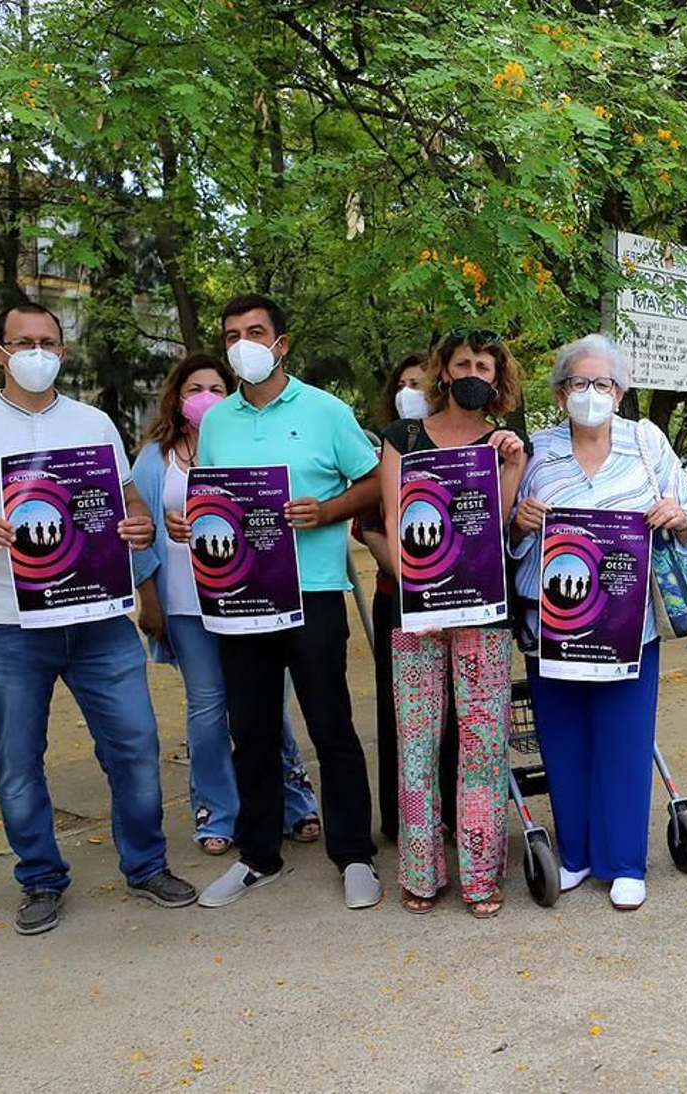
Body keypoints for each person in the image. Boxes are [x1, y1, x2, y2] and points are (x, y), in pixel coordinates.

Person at [0, 301, 196, 934]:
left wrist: (138, 527)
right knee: (16, 762)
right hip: (8, 626)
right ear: (0, 353)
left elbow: (132, 512)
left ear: (61, 354)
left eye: (48, 342)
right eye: (23, 342)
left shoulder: (95, 424)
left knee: (135, 747)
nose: (36, 353)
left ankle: (146, 866)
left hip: (98, 620)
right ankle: (39, 879)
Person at [170, 293, 384, 910]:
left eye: (256, 331)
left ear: (281, 343)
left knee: (331, 725)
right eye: (233, 333)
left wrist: (328, 510)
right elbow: (213, 498)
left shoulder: (326, 410)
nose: (243, 343)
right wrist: (193, 523)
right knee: (253, 730)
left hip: (313, 591)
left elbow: (372, 480)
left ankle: (353, 854)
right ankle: (258, 855)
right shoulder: (217, 422)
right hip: (240, 598)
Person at [509, 333, 687, 911]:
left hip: (628, 623)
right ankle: (575, 856)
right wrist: (519, 524)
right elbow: (502, 532)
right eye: (578, 382)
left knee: (624, 740)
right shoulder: (535, 451)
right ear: (561, 389)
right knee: (564, 739)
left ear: (619, 392)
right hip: (553, 623)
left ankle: (624, 862)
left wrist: (679, 517)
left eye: (602, 383)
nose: (589, 393)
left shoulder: (646, 444)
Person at [129, 353, 322, 856]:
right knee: (209, 707)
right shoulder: (155, 458)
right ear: (178, 397)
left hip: (249, 597)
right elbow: (140, 534)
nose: (205, 398)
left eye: (216, 387)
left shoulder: (240, 442)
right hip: (187, 602)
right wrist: (149, 602)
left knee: (266, 703)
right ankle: (217, 809)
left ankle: (294, 800)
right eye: (195, 388)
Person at [378, 330, 527, 917]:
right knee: (416, 743)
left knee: (483, 743)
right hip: (417, 610)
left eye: (483, 365)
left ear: (497, 378)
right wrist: (422, 596)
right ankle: (420, 872)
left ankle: (481, 874)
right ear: (442, 372)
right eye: (462, 363)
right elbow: (394, 521)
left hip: (484, 613)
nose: (472, 372)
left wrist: (511, 464)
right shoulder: (403, 438)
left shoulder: (504, 443)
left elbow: (502, 524)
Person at [353, 351, 430, 842]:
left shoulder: (465, 447)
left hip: (462, 602)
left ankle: (449, 813)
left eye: (420, 383)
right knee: (400, 714)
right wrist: (411, 576)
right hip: (398, 598)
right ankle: (403, 820)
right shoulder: (389, 448)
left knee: (453, 711)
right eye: (403, 383)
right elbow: (370, 527)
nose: (411, 392)